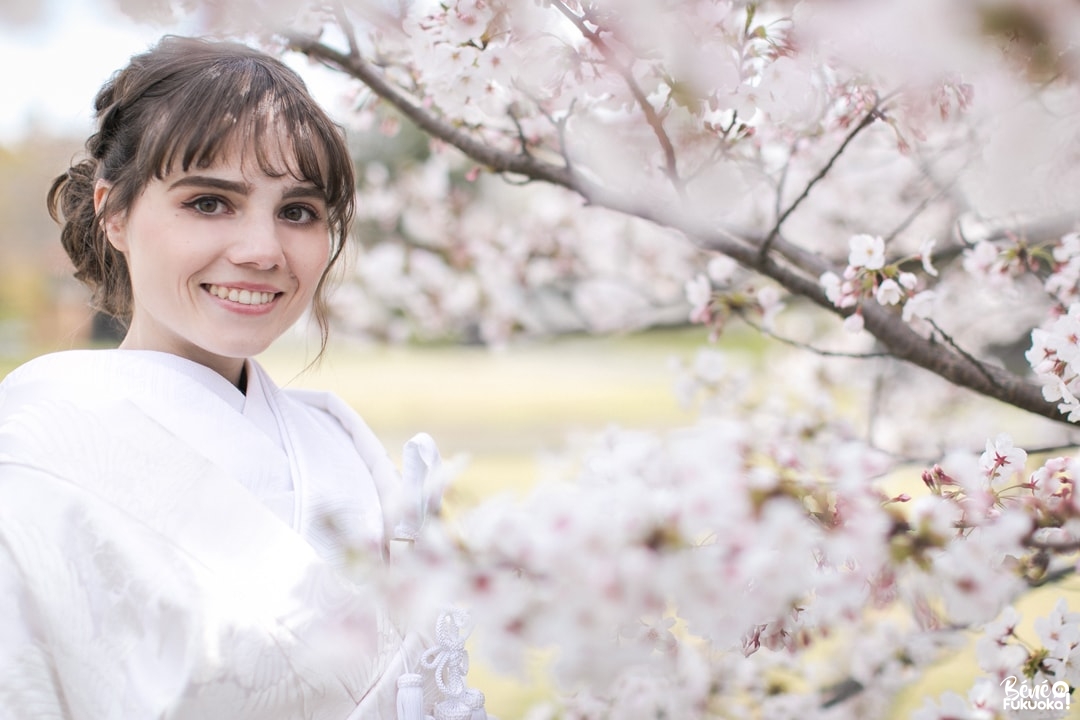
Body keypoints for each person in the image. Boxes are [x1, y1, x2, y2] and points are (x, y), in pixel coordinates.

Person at [0, 35, 484, 720]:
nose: (263, 251)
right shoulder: (33, 455)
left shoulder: (341, 445)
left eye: (298, 212)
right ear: (114, 211)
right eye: (209, 202)